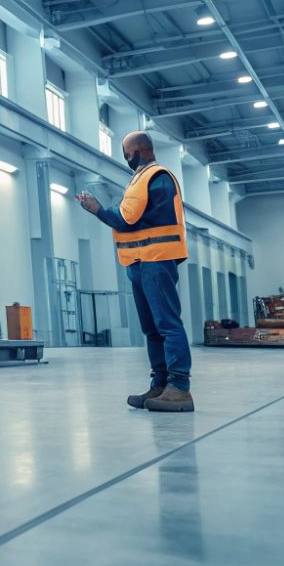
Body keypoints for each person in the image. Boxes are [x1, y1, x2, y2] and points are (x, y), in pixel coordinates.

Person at [76, 131, 193, 413]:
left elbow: (126, 217)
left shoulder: (155, 176)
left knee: (167, 324)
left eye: (127, 152)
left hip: (157, 258)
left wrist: (98, 210)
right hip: (140, 260)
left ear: (139, 150)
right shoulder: (139, 179)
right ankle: (160, 384)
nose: (126, 157)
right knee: (151, 329)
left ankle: (179, 388)